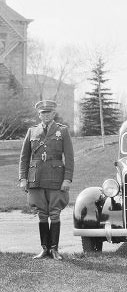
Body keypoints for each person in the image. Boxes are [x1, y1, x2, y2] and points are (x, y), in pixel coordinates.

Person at [18, 100, 74, 260]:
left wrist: (67, 179)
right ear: (39, 114)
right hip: (35, 178)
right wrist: (23, 178)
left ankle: (55, 249)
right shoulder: (32, 131)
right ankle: (44, 249)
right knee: (42, 213)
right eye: (43, 113)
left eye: (48, 112)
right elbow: (24, 158)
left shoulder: (62, 131)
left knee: (55, 213)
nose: (46, 115)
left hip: (56, 178)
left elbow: (69, 158)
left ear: (54, 113)